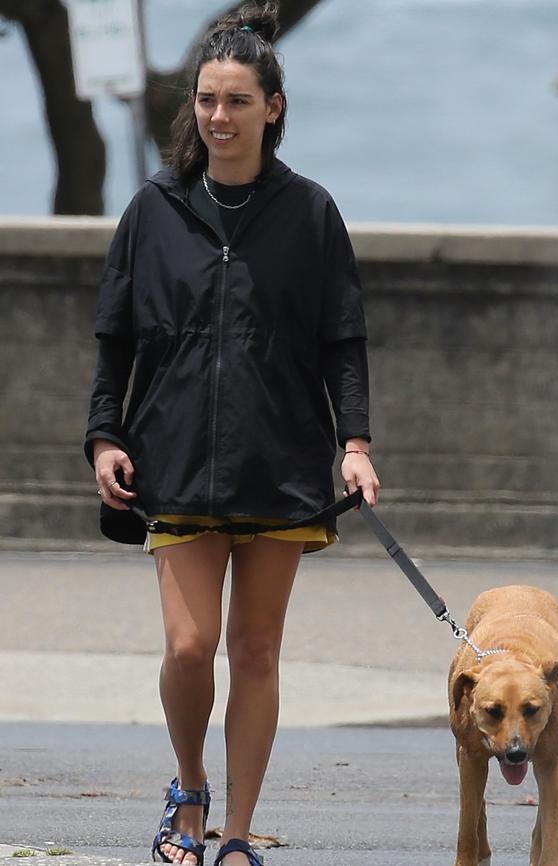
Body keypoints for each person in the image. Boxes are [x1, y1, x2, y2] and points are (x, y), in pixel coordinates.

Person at [84, 3, 379, 865]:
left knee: (255, 649)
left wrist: (354, 444)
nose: (219, 117)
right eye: (208, 100)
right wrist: (103, 438)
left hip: (278, 455)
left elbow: (343, 339)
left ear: (273, 109)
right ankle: (189, 791)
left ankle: (239, 831)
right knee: (188, 646)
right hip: (171, 457)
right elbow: (115, 339)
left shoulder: (311, 213)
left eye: (238, 101)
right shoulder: (154, 210)